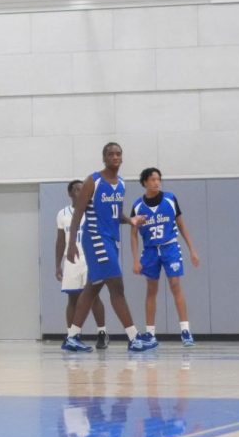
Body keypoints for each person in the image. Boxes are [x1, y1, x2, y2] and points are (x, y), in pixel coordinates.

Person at [61, 143, 156, 354]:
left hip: (111, 239)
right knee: (116, 286)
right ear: (104, 158)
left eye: (118, 153)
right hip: (96, 238)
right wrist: (70, 245)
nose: (115, 156)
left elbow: (115, 213)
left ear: (122, 158)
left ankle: (72, 337)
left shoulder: (121, 183)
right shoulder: (92, 181)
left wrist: (130, 220)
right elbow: (78, 213)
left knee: (92, 288)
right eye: (110, 154)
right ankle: (134, 337)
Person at [131, 167, 201, 346]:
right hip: (150, 250)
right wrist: (135, 260)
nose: (156, 182)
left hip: (170, 247)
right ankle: (150, 333)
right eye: (153, 179)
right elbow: (133, 234)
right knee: (151, 289)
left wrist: (192, 249)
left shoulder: (170, 199)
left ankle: (185, 330)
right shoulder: (138, 206)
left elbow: (182, 225)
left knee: (175, 285)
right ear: (145, 182)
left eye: (158, 179)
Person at [56, 179, 107, 348]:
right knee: (72, 298)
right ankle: (72, 335)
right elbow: (60, 241)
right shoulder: (62, 214)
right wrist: (58, 265)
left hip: (91, 259)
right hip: (71, 260)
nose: (81, 192)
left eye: (84, 189)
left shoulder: (94, 212)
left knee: (93, 297)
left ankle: (102, 333)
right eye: (77, 190)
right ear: (70, 193)